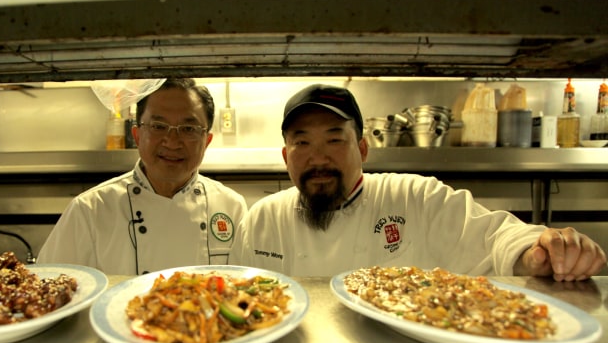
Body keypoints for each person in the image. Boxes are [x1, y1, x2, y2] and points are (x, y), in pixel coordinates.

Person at [230, 84, 606, 281]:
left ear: (362, 148)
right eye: (302, 142)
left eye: (334, 139)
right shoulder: (262, 220)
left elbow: (495, 237)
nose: (318, 157)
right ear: (285, 156)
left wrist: (539, 252)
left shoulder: (415, 196)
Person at [38, 78, 247, 275]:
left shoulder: (231, 207)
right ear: (137, 136)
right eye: (158, 126)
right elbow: (53, 292)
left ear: (207, 140)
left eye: (188, 128)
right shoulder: (89, 211)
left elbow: (248, 292)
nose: (172, 141)